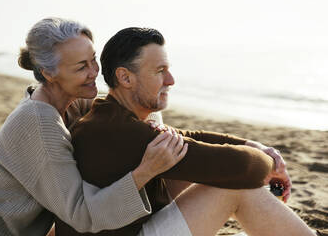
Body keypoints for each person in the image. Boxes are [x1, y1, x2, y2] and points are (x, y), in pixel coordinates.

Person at [55, 27, 315, 236]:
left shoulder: (111, 116)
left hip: (129, 228)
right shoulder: (119, 131)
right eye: (159, 71)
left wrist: (255, 145)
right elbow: (245, 168)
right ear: (125, 78)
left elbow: (188, 136)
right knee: (233, 185)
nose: (171, 80)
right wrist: (271, 163)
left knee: (228, 178)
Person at [0, 18, 188, 236]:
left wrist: (153, 125)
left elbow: (131, 104)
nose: (94, 72)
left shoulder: (71, 99)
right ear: (49, 73)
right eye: (81, 67)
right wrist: (145, 171)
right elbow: (82, 215)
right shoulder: (38, 122)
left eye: (93, 60)